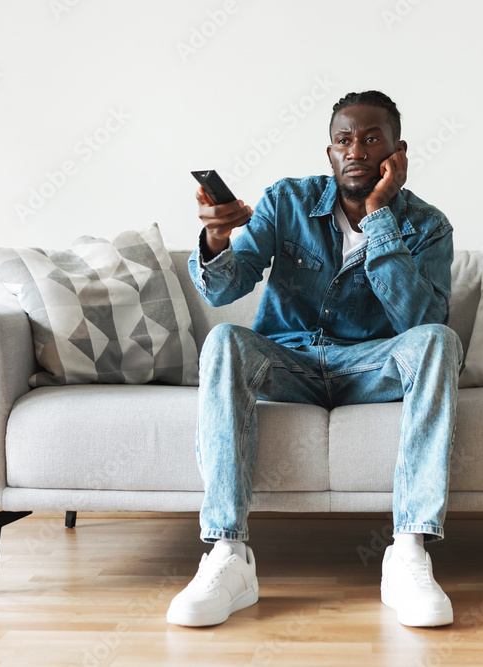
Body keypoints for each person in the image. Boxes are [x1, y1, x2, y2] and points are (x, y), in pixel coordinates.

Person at [167, 90, 463, 628]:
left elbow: (421, 321)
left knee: (440, 342)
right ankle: (229, 556)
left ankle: (408, 553)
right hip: (293, 363)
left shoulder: (428, 226)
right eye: (344, 140)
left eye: (372, 139)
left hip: (370, 366)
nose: (356, 150)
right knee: (225, 341)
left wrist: (377, 216)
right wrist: (215, 236)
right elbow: (223, 290)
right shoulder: (287, 201)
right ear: (329, 153)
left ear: (396, 152)